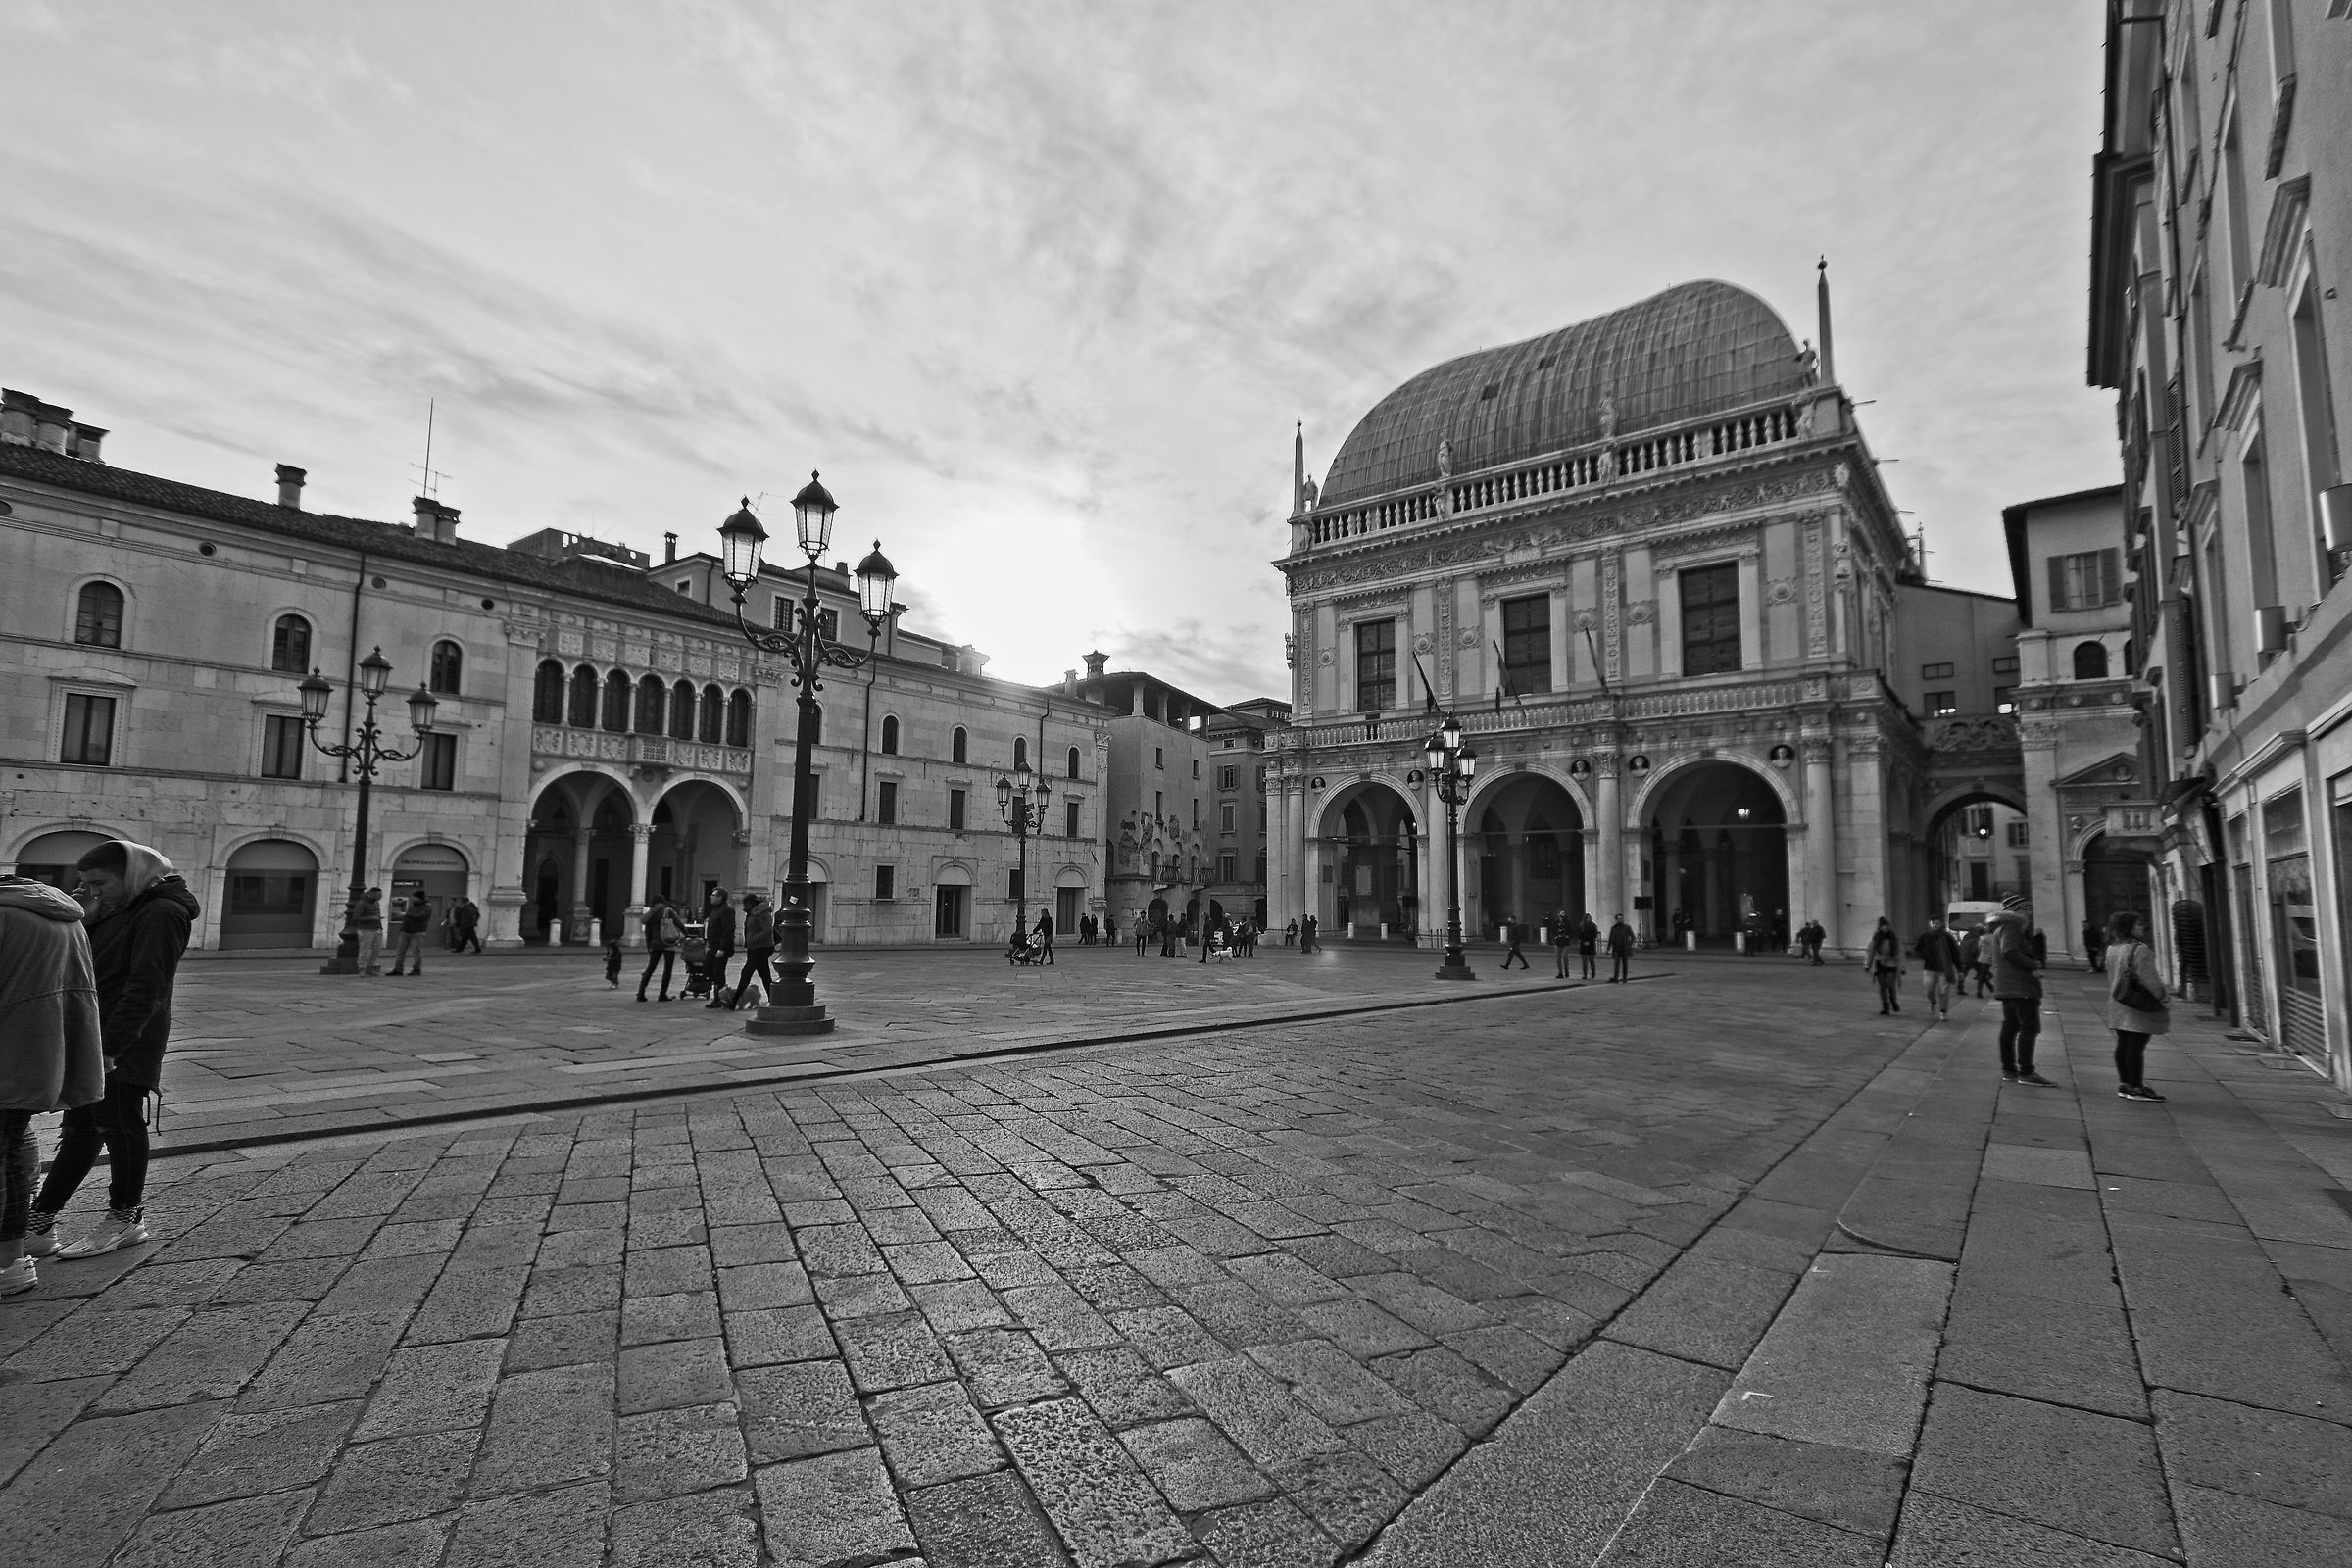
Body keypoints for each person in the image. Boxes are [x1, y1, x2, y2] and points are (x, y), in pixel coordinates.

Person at [24, 840, 198, 1263]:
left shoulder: (162, 912)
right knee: (81, 1127)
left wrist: (112, 1047)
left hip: (124, 1038)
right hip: (96, 1032)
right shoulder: (124, 908)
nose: (93, 891)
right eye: (84, 884)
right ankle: (40, 1222)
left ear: (134, 874)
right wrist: (90, 912)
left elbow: (149, 986)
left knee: (120, 1122)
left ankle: (125, 1218)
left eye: (99, 882)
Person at [0, 870, 105, 1296]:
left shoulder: (7, 916)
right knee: (14, 1143)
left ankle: (7, 1263)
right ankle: (18, 1247)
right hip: (41, 1051)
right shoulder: (63, 915)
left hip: (9, 1050)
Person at [2103, 910, 2169, 1102]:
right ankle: (2137, 1087)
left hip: (2118, 1001)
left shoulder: (2112, 949)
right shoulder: (2140, 949)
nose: (2142, 927)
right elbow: (2149, 979)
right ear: (2129, 927)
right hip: (2137, 1003)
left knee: (2123, 1044)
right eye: (2139, 924)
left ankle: (2125, 1084)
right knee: (2136, 1046)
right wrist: (2163, 997)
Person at [1987, 894, 2052, 1086]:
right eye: (2025, 909)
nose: (2029, 913)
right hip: (2019, 986)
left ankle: (2009, 1070)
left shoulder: (2001, 927)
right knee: (2029, 1028)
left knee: (2010, 1026)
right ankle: (2026, 1071)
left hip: (2008, 986)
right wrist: (2032, 966)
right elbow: (2010, 952)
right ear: (2015, 912)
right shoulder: (2012, 927)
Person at [730, 893, 776, 1010]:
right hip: (754, 947)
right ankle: (774, 998)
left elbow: (769, 930)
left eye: (746, 904)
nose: (744, 906)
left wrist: (754, 938)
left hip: (762, 947)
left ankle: (734, 1001)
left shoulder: (762, 913)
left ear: (751, 903)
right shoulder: (752, 913)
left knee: (747, 972)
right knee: (764, 974)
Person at [637, 896, 683, 1002]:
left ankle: (641, 993)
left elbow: (647, 933)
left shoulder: (650, 914)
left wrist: (649, 946)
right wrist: (687, 934)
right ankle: (662, 994)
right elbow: (679, 924)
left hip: (655, 944)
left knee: (650, 969)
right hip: (668, 942)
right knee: (667, 969)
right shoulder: (668, 911)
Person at [1915, 915, 1960, 1021]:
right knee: (1928, 990)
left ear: (1941, 924)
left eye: (1937, 923)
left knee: (1944, 991)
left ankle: (1943, 1012)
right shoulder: (1925, 936)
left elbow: (1955, 953)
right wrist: (1924, 955)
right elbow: (1918, 949)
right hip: (1929, 968)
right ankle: (1933, 1001)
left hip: (1944, 969)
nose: (1935, 925)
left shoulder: (1947, 937)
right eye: (1933, 923)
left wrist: (1960, 969)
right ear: (1930, 924)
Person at [702, 889, 737, 1007]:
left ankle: (719, 998)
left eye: (714, 895)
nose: (710, 897)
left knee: (718, 972)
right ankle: (722, 992)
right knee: (707, 969)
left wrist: (722, 948)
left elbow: (728, 930)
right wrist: (707, 944)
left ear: (721, 897)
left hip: (721, 948)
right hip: (712, 946)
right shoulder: (715, 910)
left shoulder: (727, 911)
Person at [1866, 917, 1904, 1014]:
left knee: (1891, 985)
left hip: (1892, 964)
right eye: (1883, 926)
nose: (1885, 927)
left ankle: (1893, 1001)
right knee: (1882, 986)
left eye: (1886, 926)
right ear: (1880, 927)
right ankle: (1885, 1006)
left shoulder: (1894, 938)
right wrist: (1868, 965)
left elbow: (1901, 953)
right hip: (1880, 964)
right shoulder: (1876, 938)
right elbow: (1871, 951)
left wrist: (1903, 967)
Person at [387, 893, 431, 976]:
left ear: (418, 898)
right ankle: (398, 969)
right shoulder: (412, 905)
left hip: (417, 931)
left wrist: (405, 915)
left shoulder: (427, 906)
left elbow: (420, 916)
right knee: (400, 951)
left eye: (414, 897)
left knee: (416, 951)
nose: (412, 898)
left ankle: (416, 969)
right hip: (406, 930)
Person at [352, 885, 384, 975]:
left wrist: (380, 927)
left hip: (376, 928)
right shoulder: (361, 903)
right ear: (371, 894)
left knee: (377, 949)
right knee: (364, 949)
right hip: (365, 929)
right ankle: (361, 968)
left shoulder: (376, 903)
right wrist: (371, 918)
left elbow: (378, 915)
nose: (380, 897)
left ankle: (370, 966)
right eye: (378, 895)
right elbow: (356, 917)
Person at [1606, 913, 1634, 983]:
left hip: (1625, 948)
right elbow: (1611, 939)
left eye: (1621, 919)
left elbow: (1633, 937)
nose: (1620, 920)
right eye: (1618, 919)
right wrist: (1608, 948)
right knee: (1616, 964)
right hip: (1617, 949)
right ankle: (1616, 978)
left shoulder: (1627, 927)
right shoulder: (1614, 928)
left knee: (1625, 964)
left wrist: (1629, 944)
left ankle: (1625, 978)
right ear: (1616, 920)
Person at [1578, 912, 1600, 980]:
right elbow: (1580, 935)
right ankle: (1585, 974)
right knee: (1584, 961)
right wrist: (1584, 941)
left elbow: (1595, 935)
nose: (1588, 919)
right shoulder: (1581, 926)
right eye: (1587, 918)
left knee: (1591, 959)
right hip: (1583, 944)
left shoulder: (1593, 926)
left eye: (1589, 918)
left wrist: (1589, 941)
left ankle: (1593, 971)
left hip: (1591, 944)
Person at [1551, 914, 1573, 978]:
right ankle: (1560, 973)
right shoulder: (1555, 922)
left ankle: (1566, 970)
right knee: (1558, 958)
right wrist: (1555, 937)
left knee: (1564, 956)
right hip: (1558, 942)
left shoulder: (1567, 922)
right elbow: (1553, 931)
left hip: (1565, 942)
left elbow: (1571, 930)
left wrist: (1568, 936)